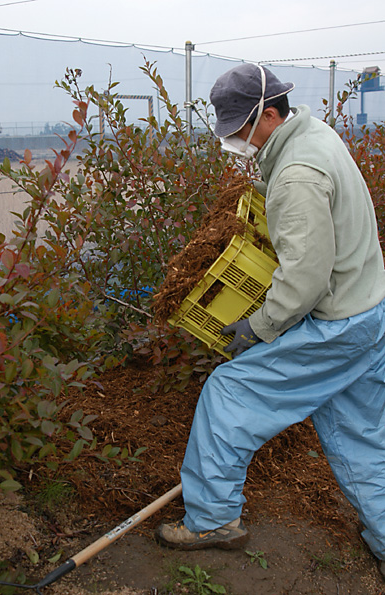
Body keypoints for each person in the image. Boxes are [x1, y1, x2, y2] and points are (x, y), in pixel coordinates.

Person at [155, 63, 385, 578]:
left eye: (238, 126)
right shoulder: (315, 136)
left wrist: (257, 328)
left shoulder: (297, 176)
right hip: (368, 313)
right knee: (362, 438)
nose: (234, 138)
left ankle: (213, 520)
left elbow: (304, 279)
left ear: (269, 114)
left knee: (227, 393)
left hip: (335, 325)